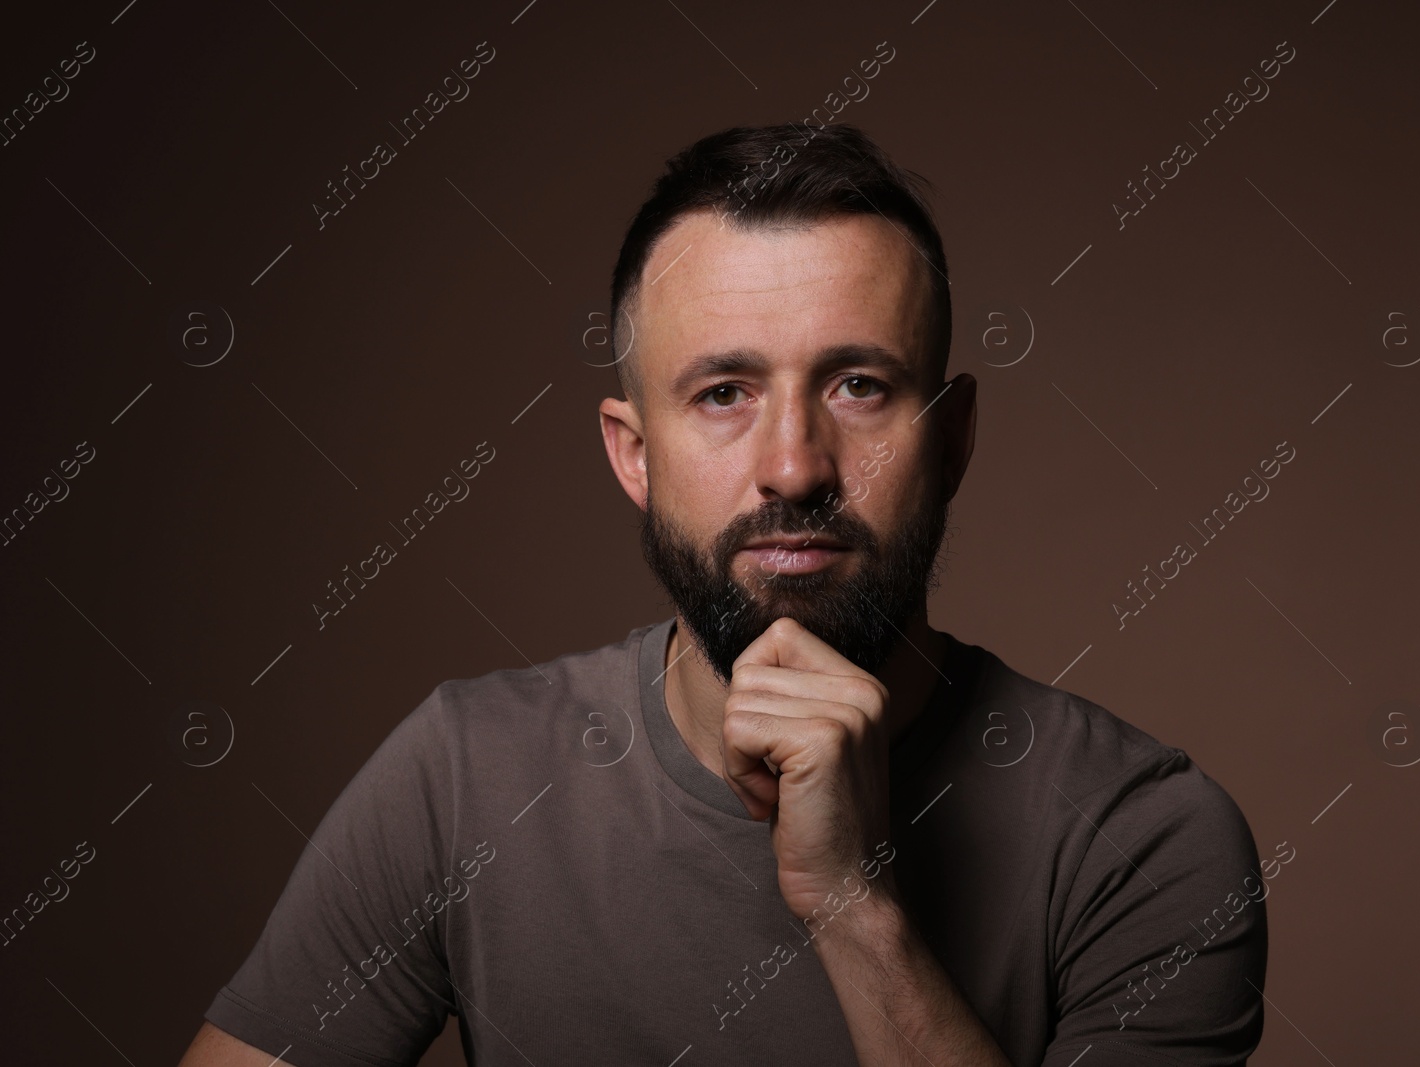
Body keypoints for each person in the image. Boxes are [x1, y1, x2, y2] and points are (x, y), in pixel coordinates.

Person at [178, 122, 1268, 1067]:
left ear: (952, 441)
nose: (793, 465)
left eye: (858, 384)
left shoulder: (1143, 836)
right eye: (723, 392)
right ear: (632, 452)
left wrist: (852, 902)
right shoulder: (464, 778)